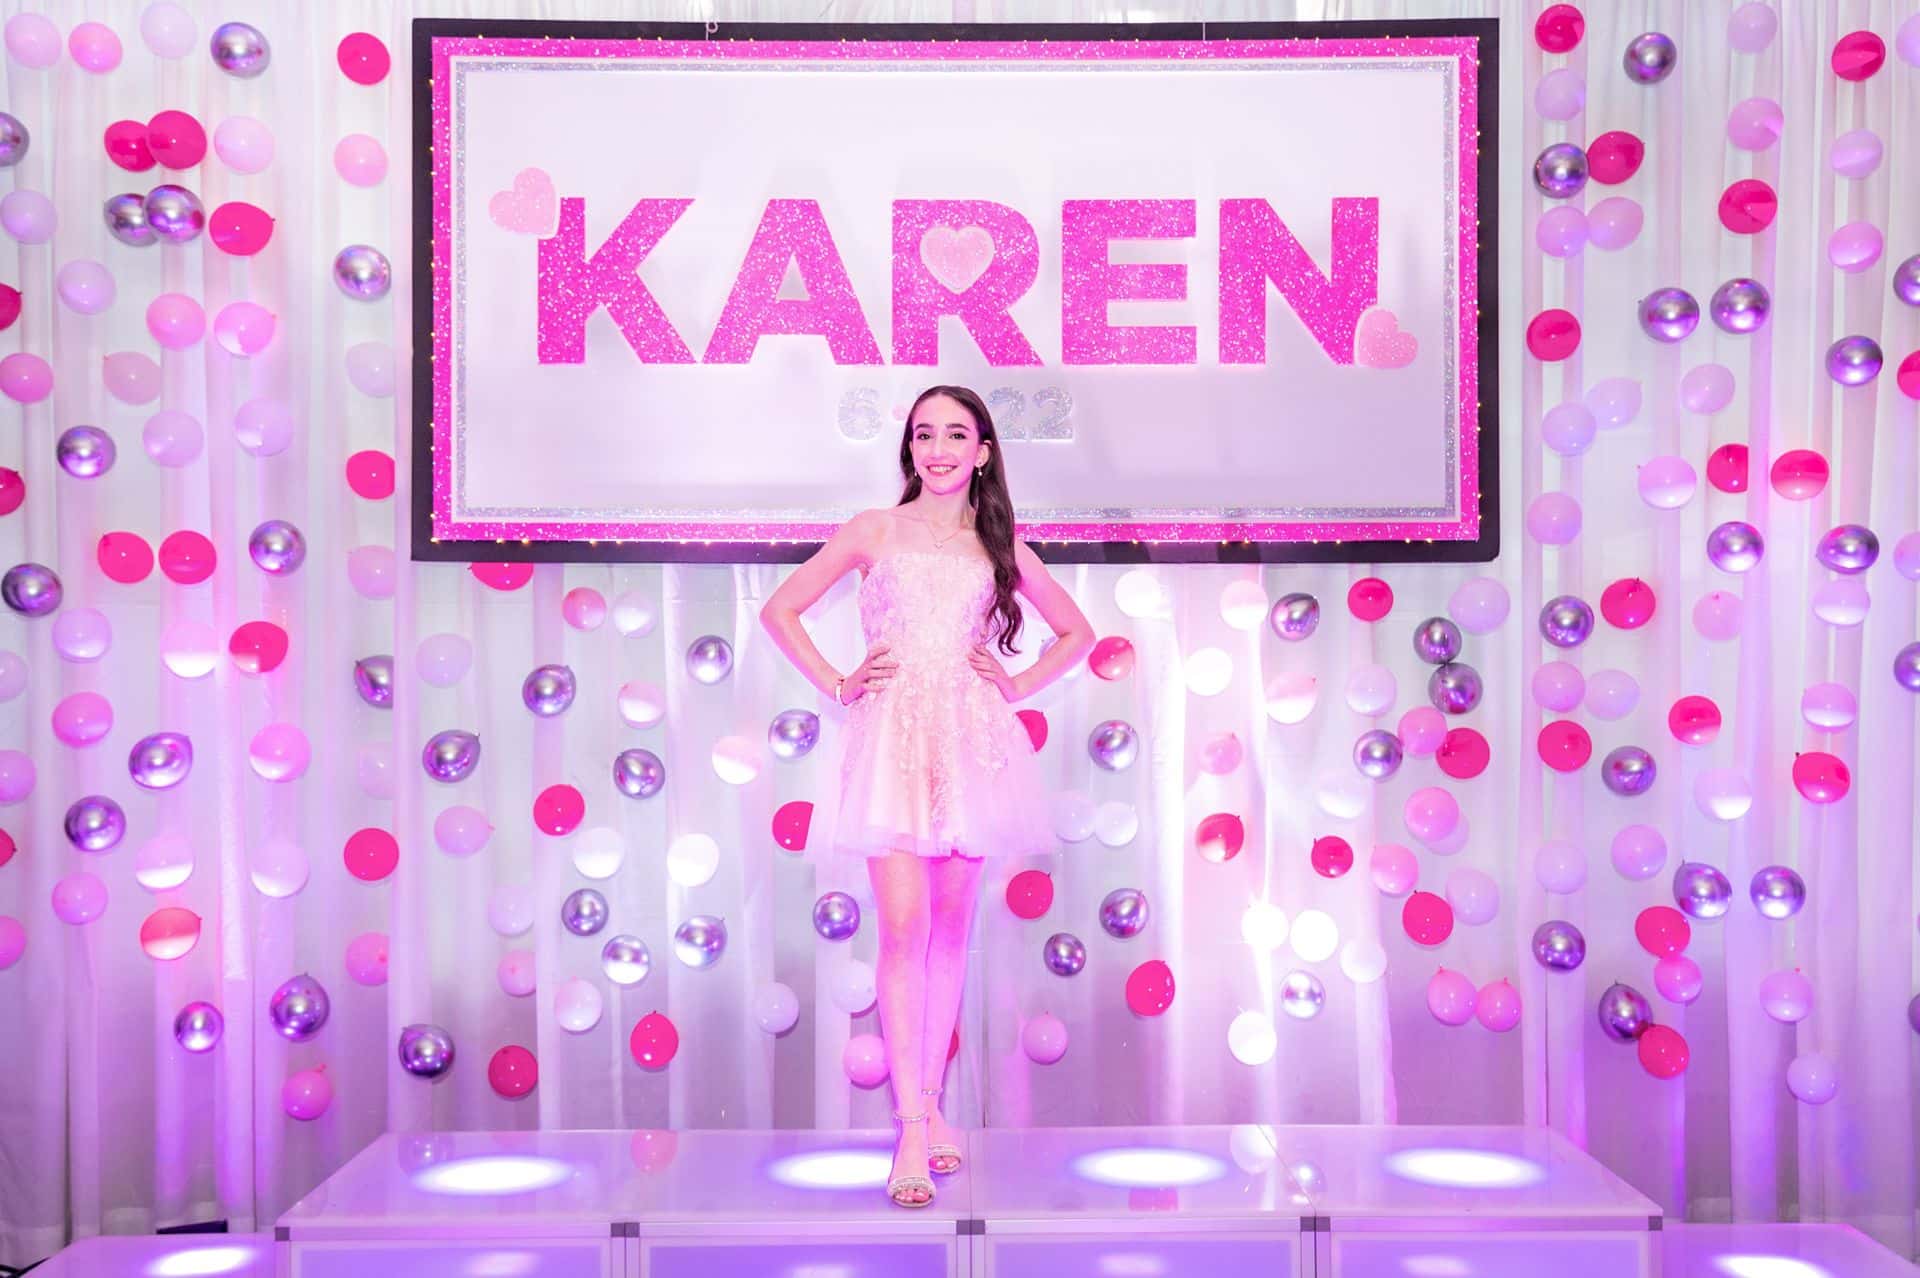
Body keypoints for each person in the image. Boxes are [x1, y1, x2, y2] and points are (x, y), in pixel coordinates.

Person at [759, 384, 1094, 1207]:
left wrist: (1016, 683)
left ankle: (933, 1107)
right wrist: (839, 681)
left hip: (970, 746)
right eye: (924, 434)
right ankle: (910, 1126)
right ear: (909, 447)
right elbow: (781, 609)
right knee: (903, 930)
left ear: (983, 451)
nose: (938, 449)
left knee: (950, 933)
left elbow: (1077, 632)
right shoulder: (874, 529)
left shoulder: (997, 542)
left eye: (955, 435)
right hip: (894, 744)